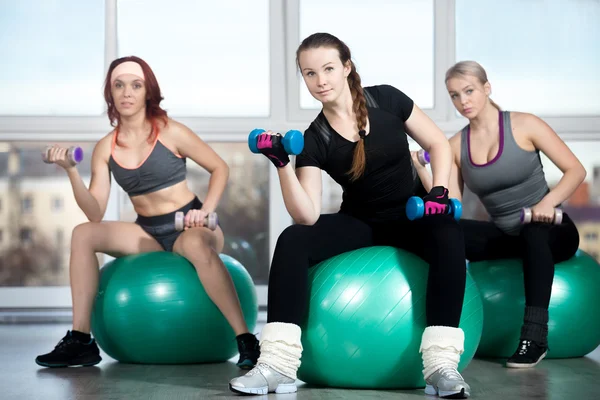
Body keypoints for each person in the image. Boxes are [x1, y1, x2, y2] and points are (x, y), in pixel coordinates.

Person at [229, 33, 471, 399]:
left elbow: (437, 143)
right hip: (362, 222)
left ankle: (441, 366)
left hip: (412, 216)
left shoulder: (386, 99)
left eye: (328, 69)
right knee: (293, 238)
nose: (320, 80)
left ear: (346, 67)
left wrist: (440, 190)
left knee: (449, 233)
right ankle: (276, 364)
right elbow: (306, 215)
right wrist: (282, 164)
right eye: (309, 74)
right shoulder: (314, 138)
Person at [35, 56, 259, 369]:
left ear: (147, 92)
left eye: (135, 85)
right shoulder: (105, 147)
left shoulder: (171, 132)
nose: (127, 92)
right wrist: (71, 170)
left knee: (193, 245)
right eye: (119, 85)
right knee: (82, 234)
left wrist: (205, 211)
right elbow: (94, 213)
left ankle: (246, 339)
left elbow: (218, 167)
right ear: (110, 94)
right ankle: (80, 339)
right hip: (148, 231)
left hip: (191, 223)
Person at [417, 60, 584, 369]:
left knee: (534, 231)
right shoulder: (455, 146)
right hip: (509, 236)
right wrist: (424, 171)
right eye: (454, 95)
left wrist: (549, 203)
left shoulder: (525, 125)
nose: (462, 101)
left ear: (486, 88)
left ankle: (535, 337)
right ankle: (439, 330)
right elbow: (450, 205)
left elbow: (576, 170)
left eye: (469, 91)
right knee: (444, 231)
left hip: (554, 231)